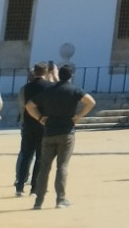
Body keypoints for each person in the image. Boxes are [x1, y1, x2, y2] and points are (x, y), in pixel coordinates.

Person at [26, 63, 93, 209]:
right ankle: (60, 199)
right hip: (66, 132)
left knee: (44, 167)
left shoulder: (49, 90)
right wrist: (79, 116)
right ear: (71, 76)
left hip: (49, 132)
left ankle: (39, 201)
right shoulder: (74, 90)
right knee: (62, 166)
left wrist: (40, 118)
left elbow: (30, 105)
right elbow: (90, 102)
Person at [14, 64, 51, 197]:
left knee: (26, 155)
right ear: (46, 72)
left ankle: (19, 186)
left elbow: (23, 107)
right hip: (44, 125)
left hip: (28, 124)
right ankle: (34, 188)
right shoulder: (49, 87)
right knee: (40, 157)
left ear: (34, 72)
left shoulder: (25, 88)